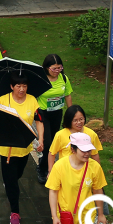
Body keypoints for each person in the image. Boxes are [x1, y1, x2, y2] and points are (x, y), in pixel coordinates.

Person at [0, 72, 45, 224]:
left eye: (24, 86)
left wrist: (41, 139)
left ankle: (10, 184)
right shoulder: (3, 100)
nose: (22, 89)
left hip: (25, 149)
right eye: (18, 86)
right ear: (12, 86)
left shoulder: (32, 100)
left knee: (18, 175)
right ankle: (15, 212)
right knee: (11, 183)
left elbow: (39, 120)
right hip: (7, 150)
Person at [46, 132, 107, 224]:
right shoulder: (60, 166)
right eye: (83, 150)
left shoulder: (95, 167)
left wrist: (101, 214)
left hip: (85, 218)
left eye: (89, 150)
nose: (87, 154)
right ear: (73, 149)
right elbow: (53, 192)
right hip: (64, 217)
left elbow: (98, 191)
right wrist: (55, 217)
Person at [37, 54, 74, 183]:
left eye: (59, 68)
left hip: (57, 113)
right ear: (47, 68)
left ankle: (49, 163)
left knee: (54, 142)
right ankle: (42, 168)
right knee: (47, 143)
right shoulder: (41, 79)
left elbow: (67, 95)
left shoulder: (63, 78)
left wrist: (71, 113)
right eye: (54, 69)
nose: (57, 71)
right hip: (43, 113)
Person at [48, 105, 102, 173]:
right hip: (65, 172)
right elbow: (52, 153)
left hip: (84, 173)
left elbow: (95, 154)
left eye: (81, 119)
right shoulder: (60, 135)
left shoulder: (91, 134)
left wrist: (98, 172)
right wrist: (50, 171)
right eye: (75, 120)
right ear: (69, 121)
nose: (79, 122)